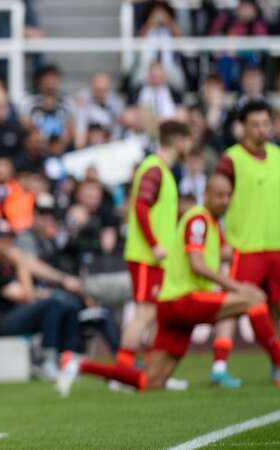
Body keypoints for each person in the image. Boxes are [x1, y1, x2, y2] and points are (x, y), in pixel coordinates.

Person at [58, 175, 280, 394]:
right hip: (183, 300)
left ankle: (79, 365)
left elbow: (224, 253)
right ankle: (276, 362)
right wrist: (237, 287)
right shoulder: (199, 220)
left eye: (228, 196)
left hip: (172, 306)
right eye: (219, 195)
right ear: (206, 195)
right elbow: (197, 264)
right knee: (253, 298)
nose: (225, 201)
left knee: (151, 381)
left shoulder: (211, 224)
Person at [210, 100, 280, 386]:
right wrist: (222, 240)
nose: (263, 129)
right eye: (256, 124)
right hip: (244, 247)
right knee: (233, 305)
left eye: (266, 123)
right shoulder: (231, 159)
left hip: (276, 246)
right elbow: (215, 201)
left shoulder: (277, 155)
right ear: (243, 126)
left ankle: (277, 366)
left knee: (277, 308)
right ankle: (219, 366)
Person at [118, 121, 190, 373]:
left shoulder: (161, 170)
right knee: (144, 315)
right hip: (147, 256)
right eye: (187, 140)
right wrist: (155, 244)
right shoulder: (155, 169)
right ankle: (123, 371)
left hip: (155, 258)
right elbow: (140, 207)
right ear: (179, 140)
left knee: (154, 315)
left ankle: (149, 372)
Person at [0, 221, 80, 376]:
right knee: (54, 303)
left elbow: (38, 269)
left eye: (10, 239)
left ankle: (68, 357)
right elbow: (26, 297)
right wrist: (21, 265)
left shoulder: (8, 263)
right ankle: (47, 360)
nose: (9, 244)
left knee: (69, 303)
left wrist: (62, 281)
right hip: (2, 323)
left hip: (19, 314)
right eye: (3, 240)